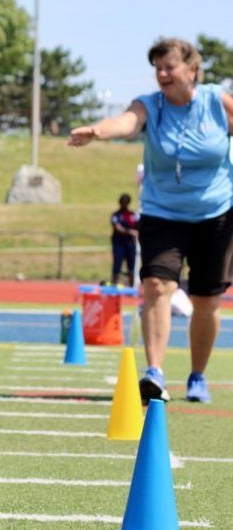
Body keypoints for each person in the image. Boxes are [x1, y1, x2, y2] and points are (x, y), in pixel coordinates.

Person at [68, 37, 233, 404]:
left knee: (207, 301)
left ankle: (197, 376)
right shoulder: (150, 104)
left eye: (169, 66)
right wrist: (97, 130)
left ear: (192, 69)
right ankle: (155, 373)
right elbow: (127, 122)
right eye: (157, 67)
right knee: (157, 285)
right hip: (163, 213)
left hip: (216, 215)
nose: (161, 74)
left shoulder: (215, 101)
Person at [110, 193, 139, 287]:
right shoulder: (116, 215)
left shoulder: (133, 215)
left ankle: (132, 286)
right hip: (118, 244)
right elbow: (117, 228)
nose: (124, 204)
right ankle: (114, 286)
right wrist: (130, 231)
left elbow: (139, 226)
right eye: (123, 202)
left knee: (131, 266)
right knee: (117, 265)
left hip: (130, 244)